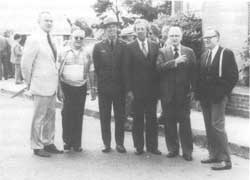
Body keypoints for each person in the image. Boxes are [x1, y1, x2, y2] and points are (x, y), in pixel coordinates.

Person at [21, 11, 63, 157]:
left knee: (51, 116)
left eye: (51, 21)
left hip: (52, 85)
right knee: (38, 117)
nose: (49, 23)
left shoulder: (52, 38)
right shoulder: (33, 39)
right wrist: (29, 84)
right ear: (38, 22)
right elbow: (25, 64)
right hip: (39, 85)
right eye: (46, 20)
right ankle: (37, 146)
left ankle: (48, 142)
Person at [196, 28, 238, 170]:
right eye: (205, 37)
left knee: (217, 126)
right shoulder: (204, 55)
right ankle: (213, 154)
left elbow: (233, 77)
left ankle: (226, 160)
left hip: (218, 97)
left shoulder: (226, 53)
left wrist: (222, 93)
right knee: (209, 127)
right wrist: (198, 96)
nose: (206, 39)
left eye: (210, 37)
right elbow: (200, 78)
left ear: (217, 38)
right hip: (205, 98)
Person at [156, 26, 196, 161]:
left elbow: (194, 73)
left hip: (184, 95)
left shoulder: (189, 52)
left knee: (185, 124)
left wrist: (193, 92)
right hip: (167, 95)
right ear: (168, 37)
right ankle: (173, 149)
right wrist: (175, 62)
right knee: (169, 123)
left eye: (177, 36)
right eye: (172, 35)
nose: (174, 38)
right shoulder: (162, 52)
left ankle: (187, 151)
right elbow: (158, 68)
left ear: (181, 37)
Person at [126, 19, 161, 155]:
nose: (140, 31)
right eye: (138, 29)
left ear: (147, 30)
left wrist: (158, 90)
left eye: (143, 28)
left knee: (152, 118)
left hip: (152, 90)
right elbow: (127, 70)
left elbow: (157, 69)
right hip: (137, 90)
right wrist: (129, 90)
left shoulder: (155, 45)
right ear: (135, 31)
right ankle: (139, 146)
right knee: (138, 119)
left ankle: (153, 146)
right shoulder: (130, 47)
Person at [58, 29, 96, 152]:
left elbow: (91, 70)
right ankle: (67, 142)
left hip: (81, 87)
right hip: (66, 86)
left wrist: (93, 88)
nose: (79, 40)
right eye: (76, 38)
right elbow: (57, 72)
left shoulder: (87, 53)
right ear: (71, 38)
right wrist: (59, 89)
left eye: (81, 38)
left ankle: (76, 143)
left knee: (78, 114)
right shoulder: (63, 52)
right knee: (66, 114)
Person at [93, 15, 127, 153]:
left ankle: (120, 143)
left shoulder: (124, 45)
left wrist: (127, 88)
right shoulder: (98, 46)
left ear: (117, 28)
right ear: (105, 30)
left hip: (120, 88)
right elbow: (96, 68)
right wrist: (96, 87)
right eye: (109, 27)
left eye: (114, 26)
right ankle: (106, 143)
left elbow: (126, 68)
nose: (112, 29)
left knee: (120, 117)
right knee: (104, 117)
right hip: (104, 88)